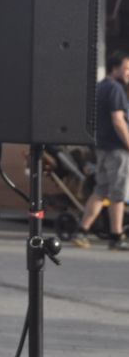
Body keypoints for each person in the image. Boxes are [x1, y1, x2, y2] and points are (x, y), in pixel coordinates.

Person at [72, 52, 129, 251]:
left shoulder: (100, 87)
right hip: (117, 150)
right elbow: (118, 120)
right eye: (126, 68)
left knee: (100, 190)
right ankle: (116, 236)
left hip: (102, 148)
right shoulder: (115, 89)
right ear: (115, 68)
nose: (128, 73)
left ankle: (82, 230)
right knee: (118, 193)